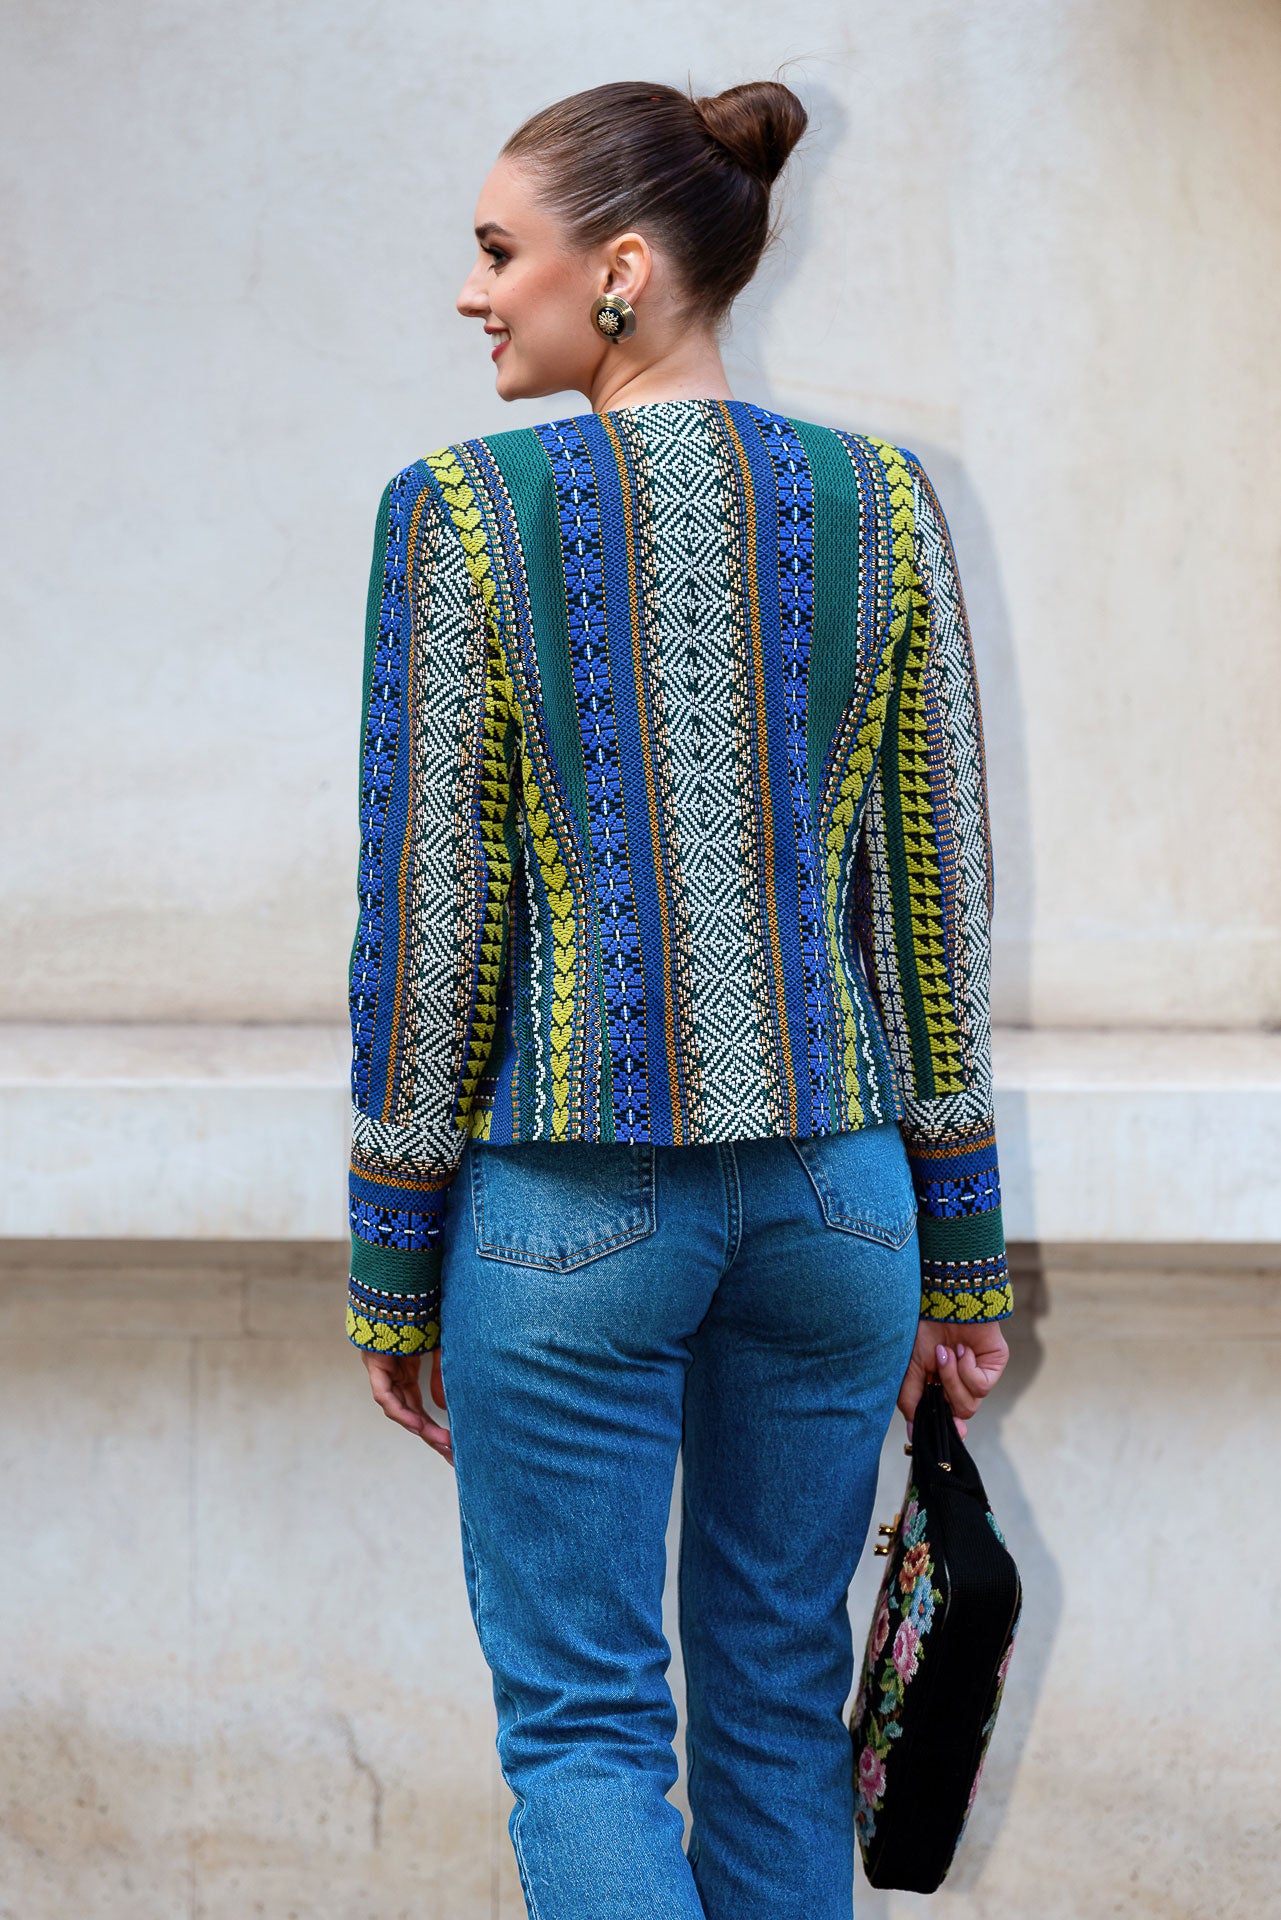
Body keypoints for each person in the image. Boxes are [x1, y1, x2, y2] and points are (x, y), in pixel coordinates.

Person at [346, 77, 1011, 1920]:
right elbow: (934, 904)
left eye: (500, 252)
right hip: (838, 1207)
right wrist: (956, 1262)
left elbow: (430, 917)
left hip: (568, 1207)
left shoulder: (462, 516)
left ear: (621, 268)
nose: (474, 293)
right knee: (782, 1715)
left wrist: (392, 1262)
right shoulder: (882, 504)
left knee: (582, 1732)